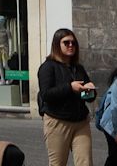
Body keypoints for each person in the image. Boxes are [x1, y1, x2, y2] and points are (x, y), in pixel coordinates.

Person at [37, 28, 94, 166]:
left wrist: (90, 91)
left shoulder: (78, 68)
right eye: (66, 42)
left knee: (85, 163)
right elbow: (46, 94)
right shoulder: (48, 67)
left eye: (73, 43)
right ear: (57, 44)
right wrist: (70, 87)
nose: (71, 46)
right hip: (57, 122)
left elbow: (88, 98)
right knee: (58, 163)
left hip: (80, 122)